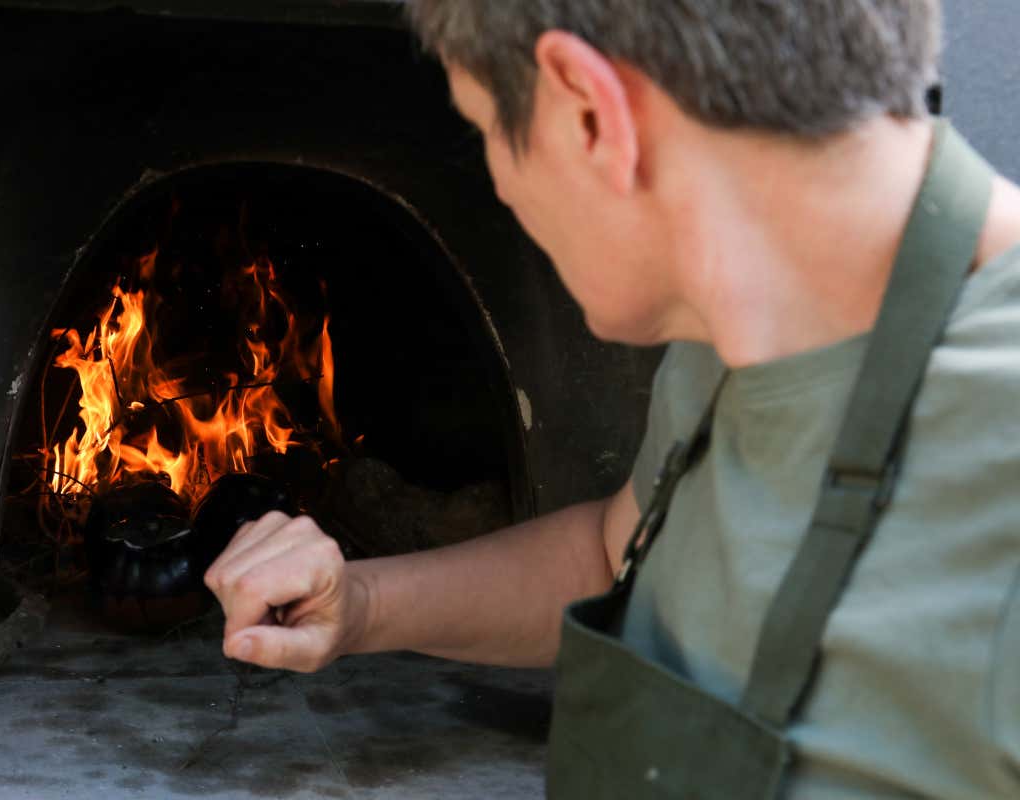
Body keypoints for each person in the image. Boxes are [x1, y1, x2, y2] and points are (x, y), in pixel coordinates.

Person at [205, 2, 1020, 796]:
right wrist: (364, 605)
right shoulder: (744, 317)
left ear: (590, 114)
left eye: (484, 126)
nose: (499, 183)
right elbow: (614, 557)